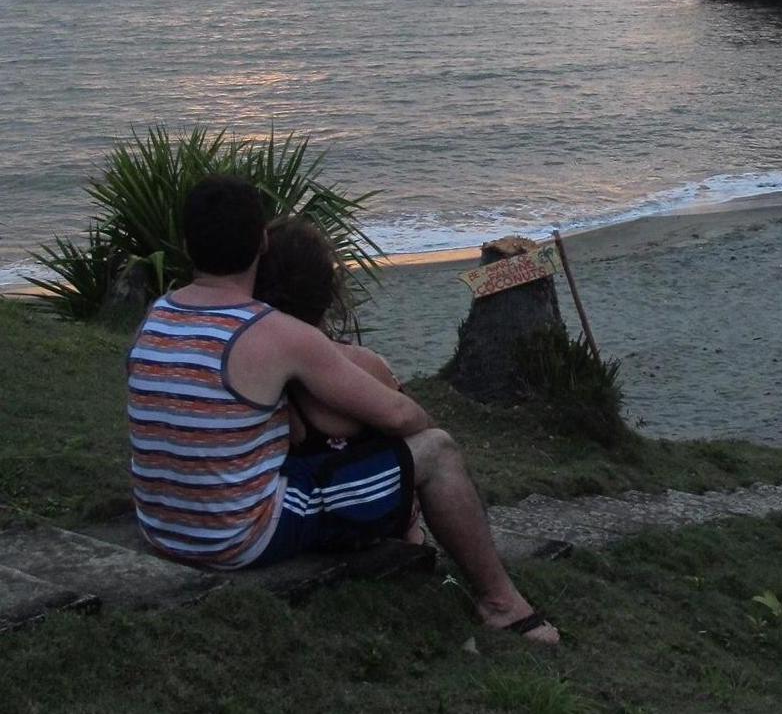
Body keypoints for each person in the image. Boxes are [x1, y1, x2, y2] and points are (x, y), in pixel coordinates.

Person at [127, 174, 558, 643]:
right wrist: (413, 422)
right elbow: (399, 416)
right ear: (261, 242)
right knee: (435, 451)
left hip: (161, 526)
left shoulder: (156, 315)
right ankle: (501, 603)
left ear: (188, 244)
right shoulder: (276, 333)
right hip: (233, 539)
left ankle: (423, 551)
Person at [253, 214, 424, 545]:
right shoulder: (362, 365)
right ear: (328, 293)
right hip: (354, 515)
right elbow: (407, 422)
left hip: (285, 512)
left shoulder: (252, 365)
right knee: (428, 450)